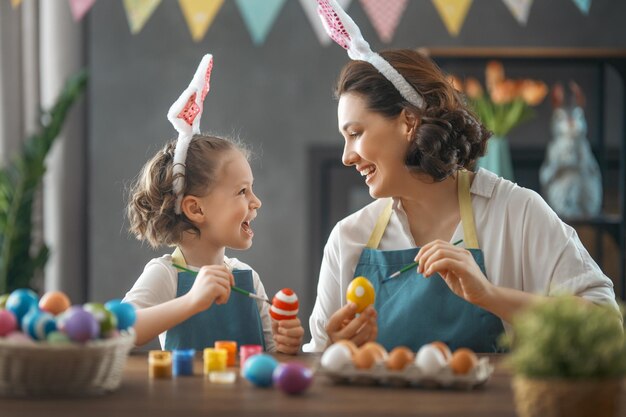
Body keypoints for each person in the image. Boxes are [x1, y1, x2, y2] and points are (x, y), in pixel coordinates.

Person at [304, 0, 618, 353]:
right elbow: (318, 362)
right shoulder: (349, 239)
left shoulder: (517, 213)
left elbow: (605, 325)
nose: (347, 157)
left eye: (356, 133)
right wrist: (333, 349)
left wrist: (490, 295)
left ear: (408, 122)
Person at [123, 55, 303, 354]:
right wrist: (192, 301)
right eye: (242, 191)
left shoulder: (246, 277)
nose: (256, 202)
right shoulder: (167, 275)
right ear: (196, 209)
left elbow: (271, 354)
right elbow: (122, 330)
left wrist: (287, 344)